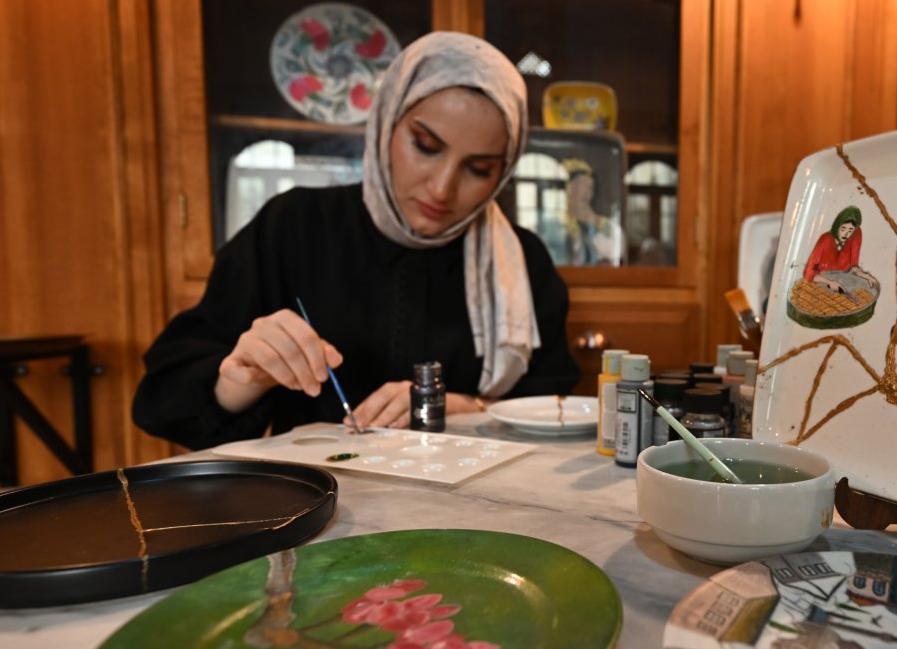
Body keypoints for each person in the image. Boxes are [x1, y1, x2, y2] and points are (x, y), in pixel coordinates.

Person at [134, 32, 580, 450]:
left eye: (479, 169)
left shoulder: (524, 261)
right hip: (318, 508)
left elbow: (555, 413)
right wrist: (239, 379)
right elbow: (161, 401)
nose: (442, 188)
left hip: (473, 517)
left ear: (502, 173)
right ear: (385, 123)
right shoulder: (294, 227)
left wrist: (470, 408)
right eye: (425, 145)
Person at [803, 206, 876, 294]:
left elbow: (854, 265)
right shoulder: (825, 240)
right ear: (837, 226)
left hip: (845, 283)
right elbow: (808, 273)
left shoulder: (856, 234)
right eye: (843, 228)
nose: (846, 234)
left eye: (850, 230)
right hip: (821, 284)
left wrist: (864, 274)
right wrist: (829, 282)